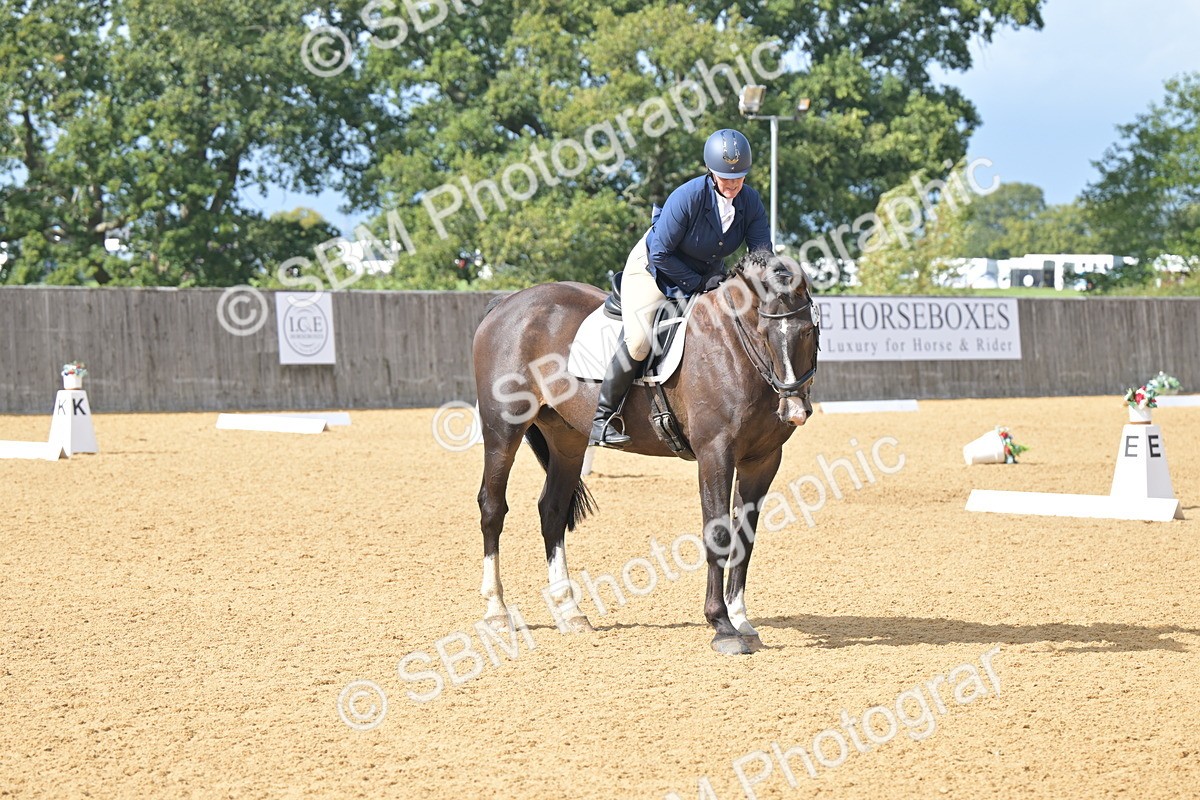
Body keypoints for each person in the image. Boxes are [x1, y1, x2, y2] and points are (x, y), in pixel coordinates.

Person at [588, 128, 775, 447]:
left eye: (739, 177)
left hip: (705, 271)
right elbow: (661, 253)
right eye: (725, 177)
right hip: (653, 269)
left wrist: (767, 284)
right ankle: (602, 418)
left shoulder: (750, 202)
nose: (732, 184)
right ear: (711, 172)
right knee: (639, 339)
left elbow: (761, 254)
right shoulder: (687, 198)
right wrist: (700, 284)